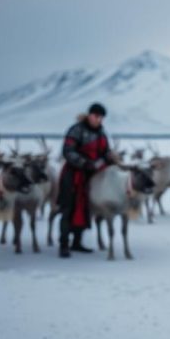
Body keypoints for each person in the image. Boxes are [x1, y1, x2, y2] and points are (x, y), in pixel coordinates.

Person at [57, 103, 112, 258]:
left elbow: (106, 151)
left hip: (92, 175)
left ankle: (77, 242)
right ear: (89, 115)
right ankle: (63, 245)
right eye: (96, 116)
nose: (98, 120)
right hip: (73, 174)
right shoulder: (76, 130)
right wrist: (85, 163)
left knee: (85, 208)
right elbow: (67, 151)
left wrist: (109, 158)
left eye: (101, 117)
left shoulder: (101, 133)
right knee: (68, 208)